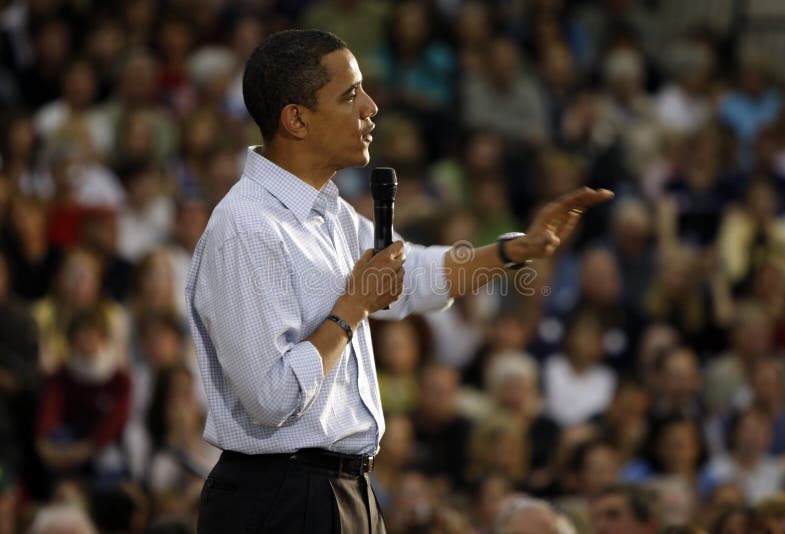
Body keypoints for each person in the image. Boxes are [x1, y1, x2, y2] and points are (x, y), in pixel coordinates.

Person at [186, 29, 612, 534]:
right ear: (296, 119)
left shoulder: (330, 215)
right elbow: (271, 397)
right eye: (350, 95)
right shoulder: (247, 228)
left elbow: (416, 278)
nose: (371, 107)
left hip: (343, 492)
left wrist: (513, 249)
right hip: (279, 499)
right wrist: (351, 310)